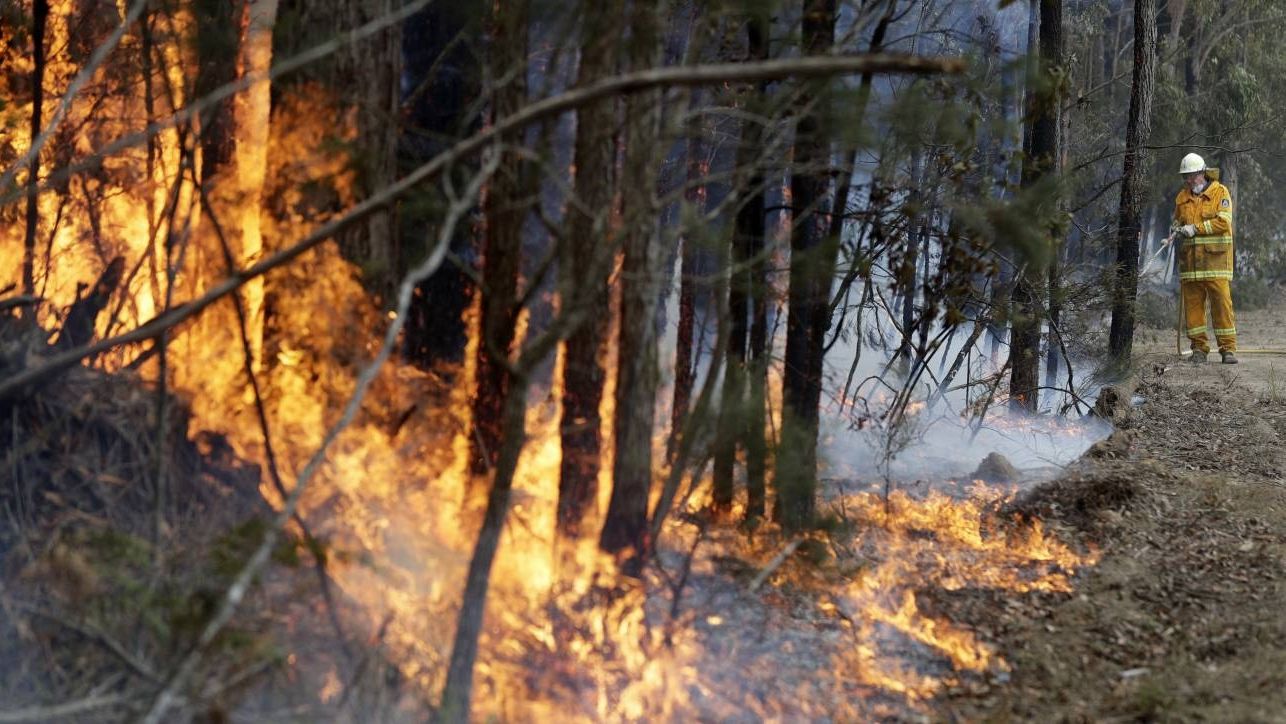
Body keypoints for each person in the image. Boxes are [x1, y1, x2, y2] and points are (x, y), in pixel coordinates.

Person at [1168, 152, 1237, 364]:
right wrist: (1174, 232)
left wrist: (1194, 229)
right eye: (1185, 177)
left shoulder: (1220, 192)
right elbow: (1177, 222)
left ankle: (1228, 350)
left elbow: (1223, 222)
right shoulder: (1182, 197)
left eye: (1191, 176)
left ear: (1202, 173)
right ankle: (1199, 349)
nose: (1188, 180)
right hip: (1191, 265)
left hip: (1215, 263)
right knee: (1193, 309)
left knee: (1221, 306)